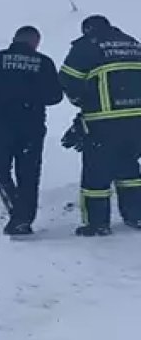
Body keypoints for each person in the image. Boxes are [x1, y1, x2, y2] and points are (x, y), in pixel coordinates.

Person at [0, 25, 64, 235]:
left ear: (15, 39)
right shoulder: (44, 62)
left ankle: (17, 211)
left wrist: (1, 96)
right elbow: (55, 97)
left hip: (1, 124)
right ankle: (24, 218)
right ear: (35, 42)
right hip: (32, 127)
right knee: (29, 174)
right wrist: (31, 96)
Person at [58, 14, 141, 236]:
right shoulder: (132, 43)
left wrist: (81, 102)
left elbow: (67, 79)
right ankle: (136, 215)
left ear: (88, 30)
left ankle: (97, 223)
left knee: (96, 172)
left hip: (104, 121)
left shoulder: (88, 46)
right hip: (137, 120)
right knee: (129, 168)